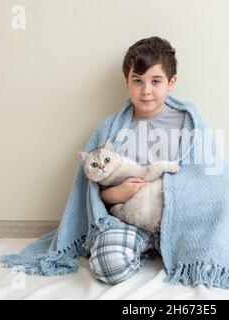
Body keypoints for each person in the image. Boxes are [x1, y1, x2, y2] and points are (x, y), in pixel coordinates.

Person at [88, 36, 186, 284]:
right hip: (130, 220)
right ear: (126, 82)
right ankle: (142, 249)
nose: (146, 90)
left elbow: (202, 179)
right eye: (137, 81)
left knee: (209, 263)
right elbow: (93, 191)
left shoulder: (187, 123)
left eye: (156, 81)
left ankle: (168, 246)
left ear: (171, 82)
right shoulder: (110, 128)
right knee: (107, 265)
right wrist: (118, 193)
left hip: (177, 218)